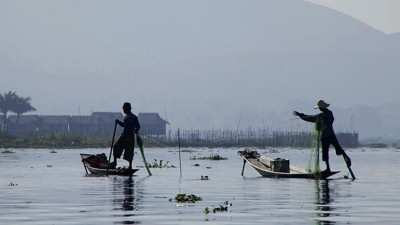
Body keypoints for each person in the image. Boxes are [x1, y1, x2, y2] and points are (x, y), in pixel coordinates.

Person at [293, 100, 351, 173]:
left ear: (322, 107)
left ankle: (347, 158)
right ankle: (328, 168)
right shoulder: (320, 116)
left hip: (330, 135)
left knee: (338, 148)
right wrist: (300, 115)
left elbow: (330, 119)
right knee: (325, 153)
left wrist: (322, 116)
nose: (319, 109)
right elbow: (311, 118)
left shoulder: (329, 113)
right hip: (324, 137)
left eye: (319, 108)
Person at [112, 102, 140, 169]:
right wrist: (118, 122)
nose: (123, 110)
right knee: (116, 146)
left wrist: (136, 131)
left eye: (124, 109)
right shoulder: (125, 117)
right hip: (124, 135)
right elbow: (124, 125)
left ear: (128, 109)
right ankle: (114, 162)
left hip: (130, 136)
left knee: (129, 151)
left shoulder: (133, 117)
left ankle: (130, 166)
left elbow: (138, 126)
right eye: (123, 109)